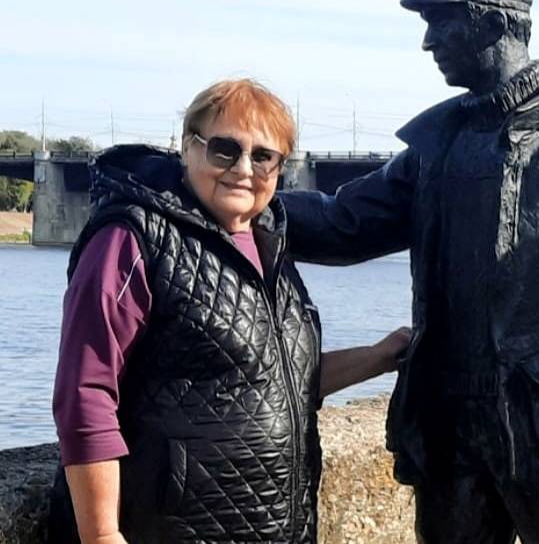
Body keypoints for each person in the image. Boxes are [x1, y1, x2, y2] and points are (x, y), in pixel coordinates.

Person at [278, 0, 539, 543]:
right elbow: (343, 223)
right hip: (450, 428)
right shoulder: (436, 146)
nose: (428, 42)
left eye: (440, 21)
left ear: (492, 24)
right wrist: (231, 198)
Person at [48, 79, 410, 543]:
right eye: (224, 149)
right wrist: (100, 534)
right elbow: (85, 392)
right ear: (187, 148)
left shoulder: (267, 245)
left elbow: (276, 384)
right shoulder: (132, 238)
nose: (243, 169)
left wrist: (382, 355)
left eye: (264, 156)